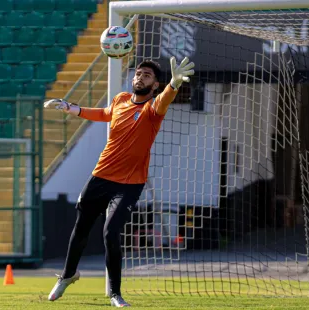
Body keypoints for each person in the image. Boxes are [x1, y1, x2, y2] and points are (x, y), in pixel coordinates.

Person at [43, 56, 195, 307]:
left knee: (110, 233)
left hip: (129, 184)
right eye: (138, 73)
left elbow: (165, 100)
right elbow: (104, 113)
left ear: (155, 85)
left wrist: (174, 84)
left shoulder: (153, 109)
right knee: (80, 228)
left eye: (147, 75)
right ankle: (68, 275)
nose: (140, 77)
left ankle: (115, 293)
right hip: (100, 176)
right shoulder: (121, 100)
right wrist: (71, 107)